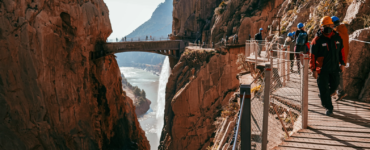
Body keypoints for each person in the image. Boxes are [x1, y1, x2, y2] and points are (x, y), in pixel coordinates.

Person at [310, 16, 346, 116]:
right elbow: (312, 56)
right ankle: (328, 107)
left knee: (335, 85)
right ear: (322, 27)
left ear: (332, 26)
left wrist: (342, 63)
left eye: (330, 25)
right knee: (324, 88)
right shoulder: (317, 40)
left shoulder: (337, 37)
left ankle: (324, 95)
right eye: (325, 26)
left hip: (335, 68)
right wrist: (313, 69)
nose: (328, 27)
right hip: (322, 69)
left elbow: (341, 52)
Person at [332, 16, 349, 101]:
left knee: (336, 75)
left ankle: (340, 92)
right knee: (339, 74)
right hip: (344, 56)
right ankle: (337, 92)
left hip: (338, 57)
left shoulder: (336, 33)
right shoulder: (344, 31)